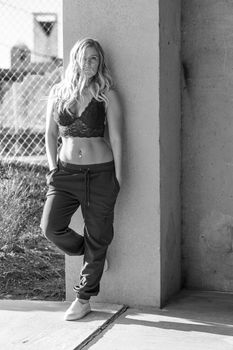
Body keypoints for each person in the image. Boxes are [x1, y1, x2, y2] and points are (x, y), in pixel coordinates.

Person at [40, 38, 122, 321]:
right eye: (83, 58)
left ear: (100, 63)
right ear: (74, 59)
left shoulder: (106, 94)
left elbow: (118, 138)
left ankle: (84, 298)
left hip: (101, 174)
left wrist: (119, 178)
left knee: (99, 234)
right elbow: (50, 134)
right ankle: (92, 253)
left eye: (94, 59)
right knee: (51, 227)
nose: (88, 64)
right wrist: (52, 169)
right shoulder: (57, 92)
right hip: (65, 175)